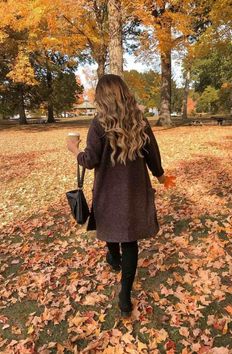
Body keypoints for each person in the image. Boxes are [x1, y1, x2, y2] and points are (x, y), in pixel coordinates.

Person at [67, 74, 167, 317]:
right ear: (124, 92)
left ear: (102, 96)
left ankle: (114, 261)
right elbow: (152, 152)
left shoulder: (98, 123)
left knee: (110, 226)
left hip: (108, 192)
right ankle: (124, 294)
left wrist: (73, 149)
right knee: (129, 240)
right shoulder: (138, 120)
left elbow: (89, 160)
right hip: (133, 190)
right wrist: (159, 174)